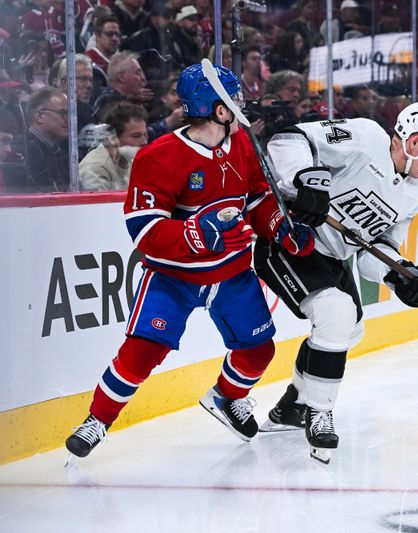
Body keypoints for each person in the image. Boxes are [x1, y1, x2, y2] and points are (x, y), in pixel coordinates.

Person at [64, 62, 315, 459]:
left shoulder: (244, 145)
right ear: (218, 110)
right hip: (174, 278)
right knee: (142, 351)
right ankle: (96, 421)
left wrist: (280, 227)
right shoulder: (158, 157)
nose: (240, 106)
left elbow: (258, 198)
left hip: (233, 273)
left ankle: (227, 398)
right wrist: (198, 233)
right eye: (234, 100)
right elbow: (145, 232)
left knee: (258, 351)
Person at [253, 101, 418, 464]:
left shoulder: (414, 193)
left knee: (350, 329)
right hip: (291, 237)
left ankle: (293, 406)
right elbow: (287, 141)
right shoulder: (365, 137)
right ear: (414, 142)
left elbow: (373, 253)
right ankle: (320, 411)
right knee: (337, 312)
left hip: (332, 257)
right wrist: (305, 179)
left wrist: (401, 275)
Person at [79, 101, 148, 191]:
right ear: (112, 138)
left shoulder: (130, 159)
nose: (144, 142)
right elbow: (97, 204)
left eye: (145, 135)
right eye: (136, 136)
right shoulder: (95, 168)